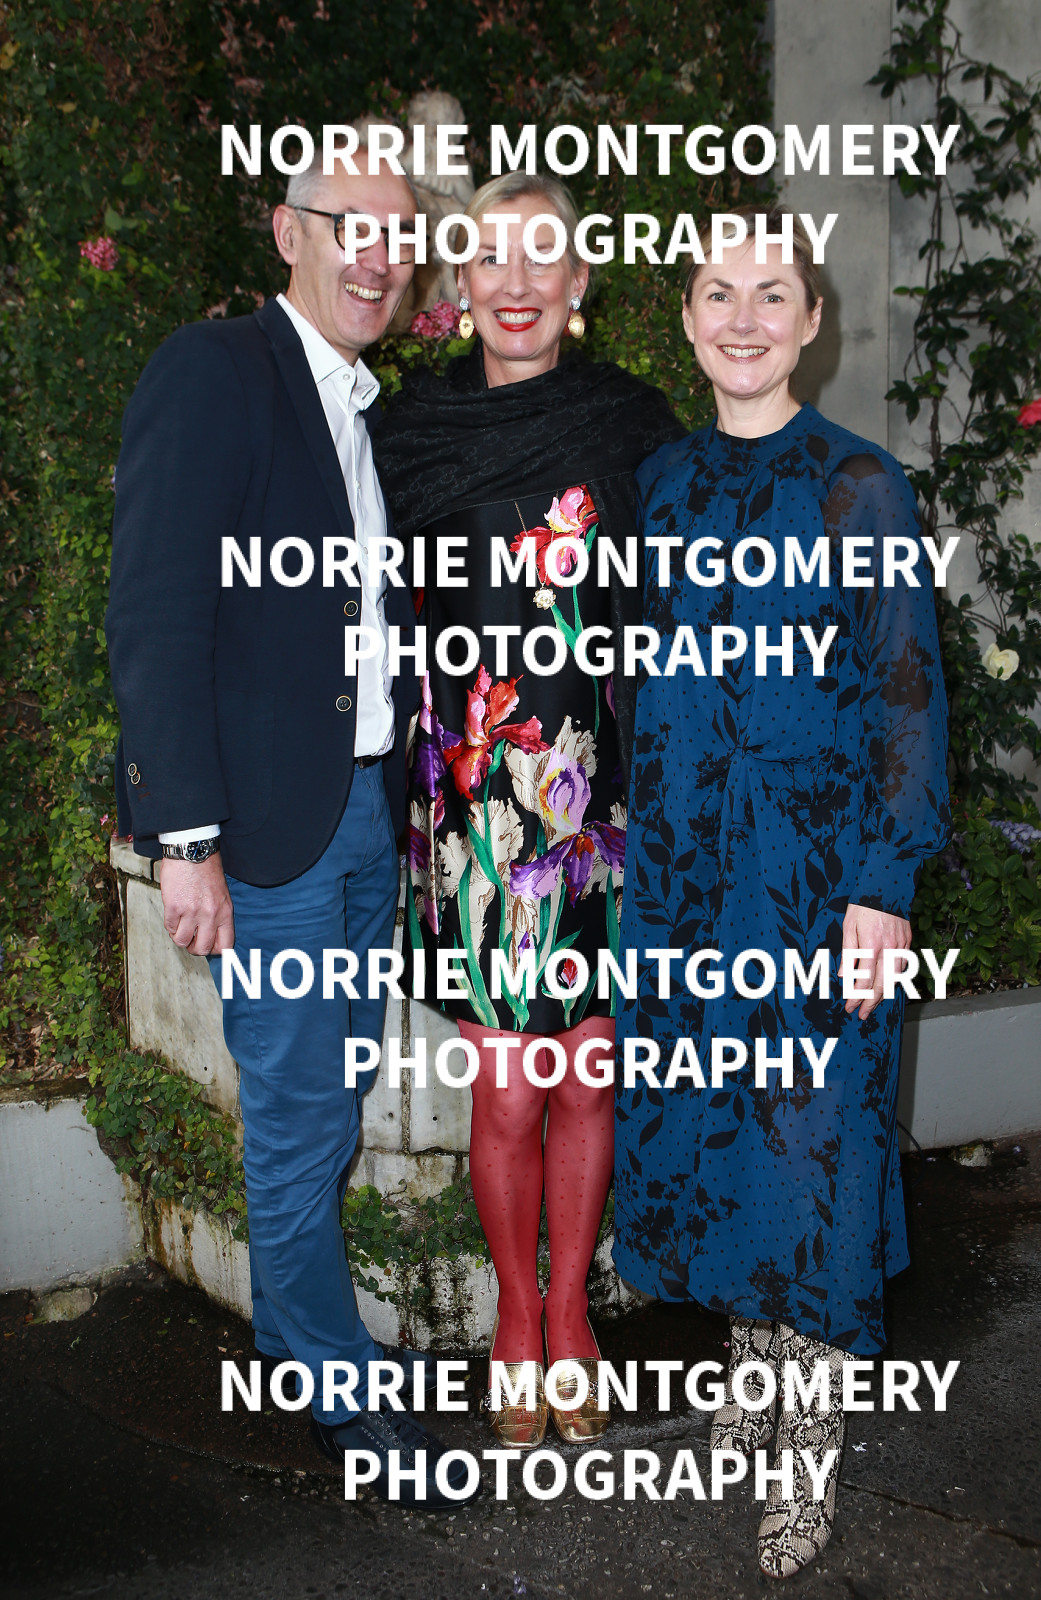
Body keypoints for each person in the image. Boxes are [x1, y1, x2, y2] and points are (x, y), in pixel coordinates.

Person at [105, 151, 475, 1505]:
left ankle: (294, 1334)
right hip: (267, 833)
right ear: (287, 230)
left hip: (362, 809)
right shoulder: (215, 373)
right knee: (300, 1107)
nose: (376, 255)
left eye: (397, 235)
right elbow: (154, 613)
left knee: (330, 1094)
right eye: (348, 226)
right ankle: (337, 1384)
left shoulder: (366, 409)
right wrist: (184, 836)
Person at [613, 207, 950, 1577]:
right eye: (718, 292)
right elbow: (637, 674)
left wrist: (884, 884)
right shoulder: (660, 485)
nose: (743, 319)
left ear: (813, 320)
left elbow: (907, 698)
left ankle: (803, 1458)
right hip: (684, 881)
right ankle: (752, 1377)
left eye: (772, 293)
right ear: (688, 318)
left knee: (812, 1155)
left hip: (817, 890)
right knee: (722, 1137)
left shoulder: (862, 488)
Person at [373, 172, 684, 1447]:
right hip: (479, 820)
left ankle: (571, 1313)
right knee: (507, 1091)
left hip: (604, 809)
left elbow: (686, 610)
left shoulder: (632, 427)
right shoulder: (409, 433)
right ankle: (514, 1314)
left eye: (540, 256)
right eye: (490, 257)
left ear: (577, 282)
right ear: (460, 283)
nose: (514, 282)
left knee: (590, 1084)